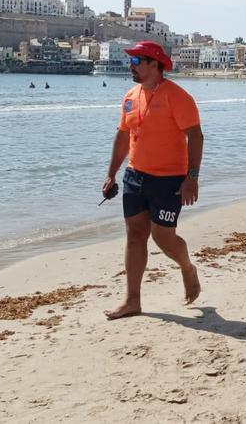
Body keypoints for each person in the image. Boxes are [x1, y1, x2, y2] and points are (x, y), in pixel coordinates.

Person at [102, 41, 204, 319]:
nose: (131, 66)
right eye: (132, 61)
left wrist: (191, 178)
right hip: (135, 175)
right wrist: (111, 173)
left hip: (169, 178)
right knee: (135, 236)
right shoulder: (131, 95)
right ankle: (132, 300)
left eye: (137, 61)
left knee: (163, 237)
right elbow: (123, 136)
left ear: (154, 64)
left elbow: (195, 136)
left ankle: (186, 266)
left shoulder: (177, 96)